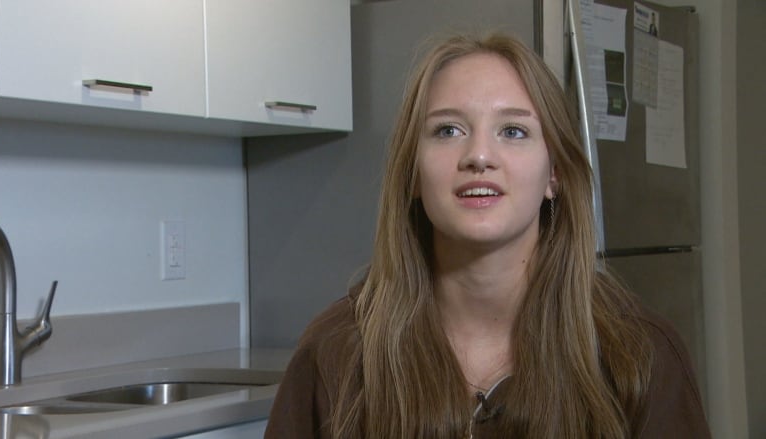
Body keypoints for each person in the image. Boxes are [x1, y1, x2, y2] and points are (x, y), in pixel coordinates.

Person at [264, 33, 710, 438]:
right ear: (413, 175)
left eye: (513, 131)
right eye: (448, 130)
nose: (478, 155)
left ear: (554, 173)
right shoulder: (336, 350)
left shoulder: (639, 353)